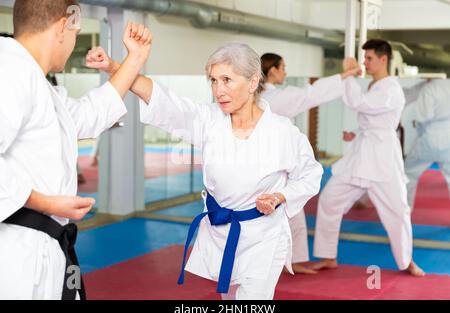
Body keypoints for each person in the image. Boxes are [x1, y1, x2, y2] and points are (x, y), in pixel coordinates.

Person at [86, 42, 324, 299]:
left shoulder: (282, 132)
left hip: (264, 238)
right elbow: (164, 100)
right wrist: (112, 66)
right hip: (220, 233)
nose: (218, 90)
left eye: (227, 80)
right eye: (213, 80)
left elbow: (310, 174)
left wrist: (280, 197)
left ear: (253, 82)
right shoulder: (209, 120)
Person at [0, 0, 151, 299]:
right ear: (61, 27)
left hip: (41, 248)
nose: (73, 43)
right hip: (18, 253)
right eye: (74, 32)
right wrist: (45, 203)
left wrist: (135, 59)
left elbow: (87, 114)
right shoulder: (11, 71)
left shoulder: (35, 81)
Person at [311, 39, 425, 276]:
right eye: (364, 59)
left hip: (383, 158)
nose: (365, 62)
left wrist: (349, 74)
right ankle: (328, 256)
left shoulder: (391, 88)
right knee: (330, 199)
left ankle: (406, 261)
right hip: (361, 155)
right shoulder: (374, 85)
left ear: (383, 59)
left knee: (398, 210)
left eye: (369, 58)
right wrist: (356, 134)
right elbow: (371, 117)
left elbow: (360, 104)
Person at [260, 53, 361, 274]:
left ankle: (291, 260)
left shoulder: (258, 97)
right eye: (283, 67)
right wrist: (345, 75)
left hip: (267, 164)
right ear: (273, 71)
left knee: (289, 211)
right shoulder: (275, 98)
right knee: (287, 211)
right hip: (275, 166)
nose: (285, 72)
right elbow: (311, 95)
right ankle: (280, 261)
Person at [404, 79, 450, 208]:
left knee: (409, 172)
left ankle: (406, 209)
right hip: (449, 137)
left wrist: (418, 124)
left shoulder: (429, 88)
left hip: (430, 136)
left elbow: (424, 116)